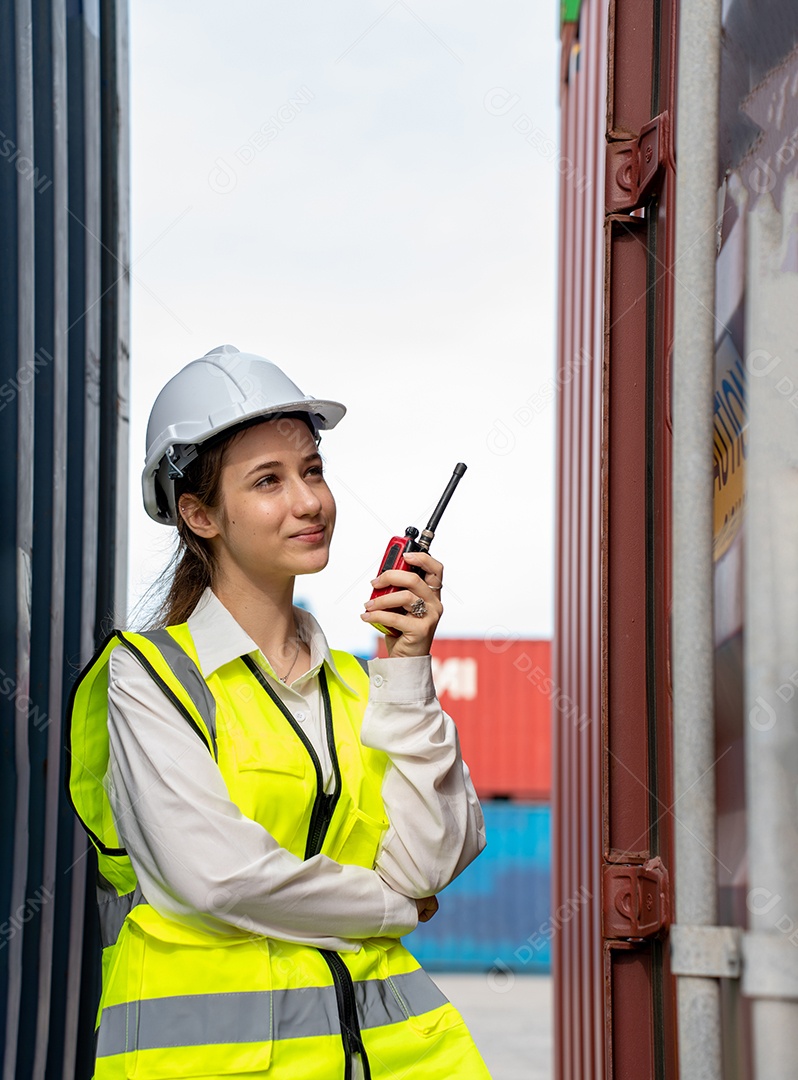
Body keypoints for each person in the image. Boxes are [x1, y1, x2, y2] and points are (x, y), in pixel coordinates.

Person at [67, 344, 491, 1079]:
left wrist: (407, 669)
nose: (309, 502)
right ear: (200, 514)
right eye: (269, 481)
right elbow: (220, 880)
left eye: (313, 470)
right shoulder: (150, 677)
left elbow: (431, 862)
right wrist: (392, 910)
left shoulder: (364, 688)